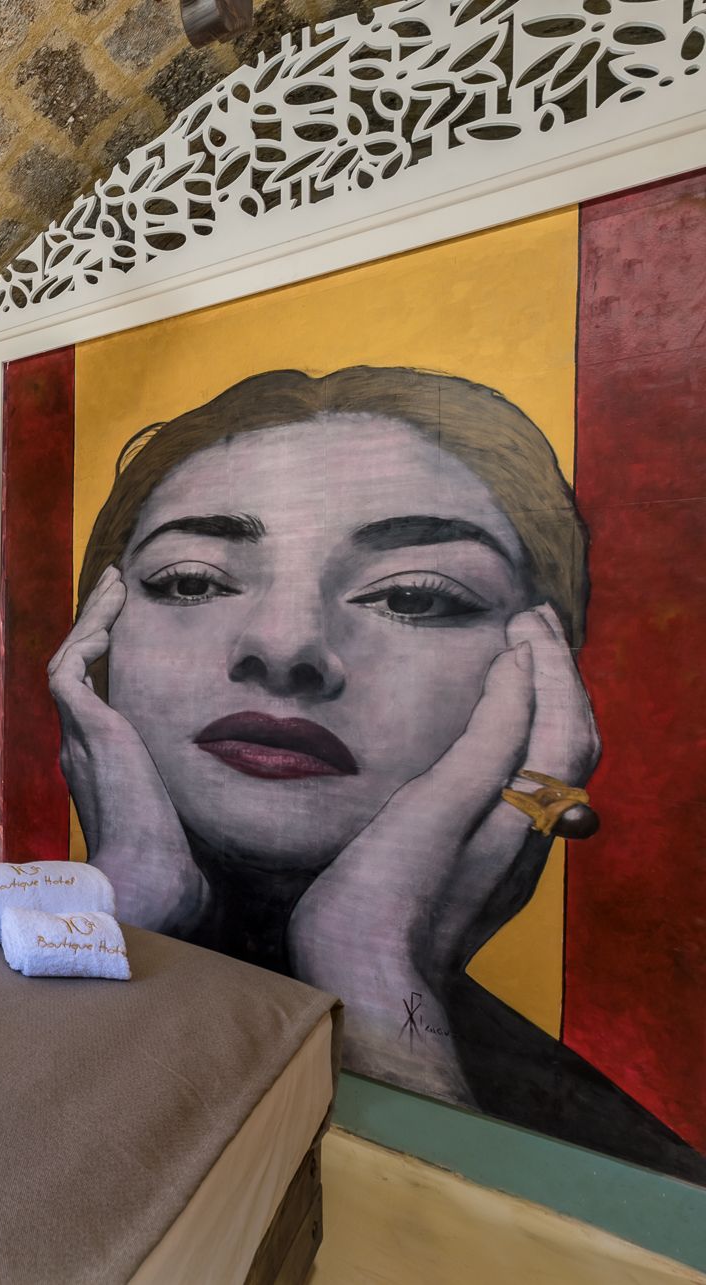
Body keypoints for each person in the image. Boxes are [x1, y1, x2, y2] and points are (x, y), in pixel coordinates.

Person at [48, 366, 706, 1180]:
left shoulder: (640, 1181)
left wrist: (374, 969)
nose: (285, 645)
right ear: (96, 648)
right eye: (190, 582)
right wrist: (129, 895)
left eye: (415, 598)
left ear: (542, 681)